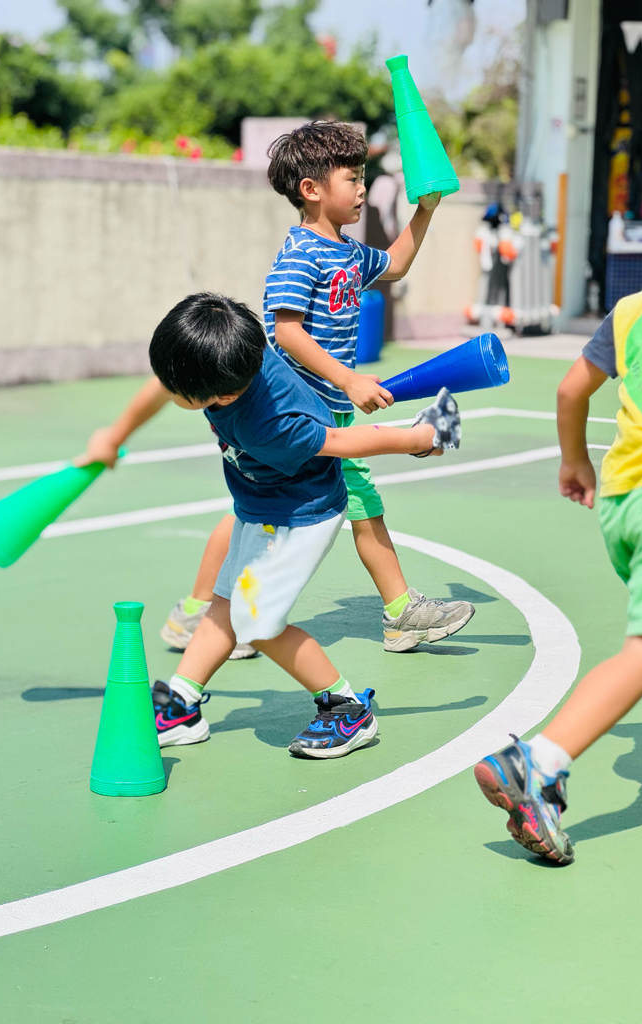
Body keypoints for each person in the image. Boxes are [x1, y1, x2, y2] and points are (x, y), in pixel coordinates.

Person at [474, 141, 642, 864]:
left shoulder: (635, 308)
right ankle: (538, 762)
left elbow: (570, 388)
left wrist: (575, 460)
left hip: (628, 499)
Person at [145, 291, 461, 757]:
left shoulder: (272, 426)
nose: (167, 391)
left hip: (296, 517)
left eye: (176, 389)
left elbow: (343, 442)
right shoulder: (245, 352)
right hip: (260, 506)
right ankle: (182, 705)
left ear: (223, 395)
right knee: (224, 604)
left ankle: (346, 708)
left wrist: (419, 438)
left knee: (258, 624)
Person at [264, 120, 475, 653]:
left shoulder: (349, 252)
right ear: (311, 189)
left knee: (349, 507)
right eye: (353, 179)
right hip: (296, 412)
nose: (362, 189)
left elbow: (397, 263)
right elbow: (286, 331)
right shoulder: (301, 253)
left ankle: (398, 612)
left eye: (363, 178)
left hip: (329, 412)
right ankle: (223, 612)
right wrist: (349, 379)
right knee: (272, 517)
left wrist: (425, 209)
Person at [79, 380, 257, 660]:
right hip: (256, 430)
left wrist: (114, 437)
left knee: (253, 505)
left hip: (259, 423)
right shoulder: (206, 375)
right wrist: (114, 437)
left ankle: (200, 611)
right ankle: (200, 613)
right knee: (252, 506)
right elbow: (165, 384)